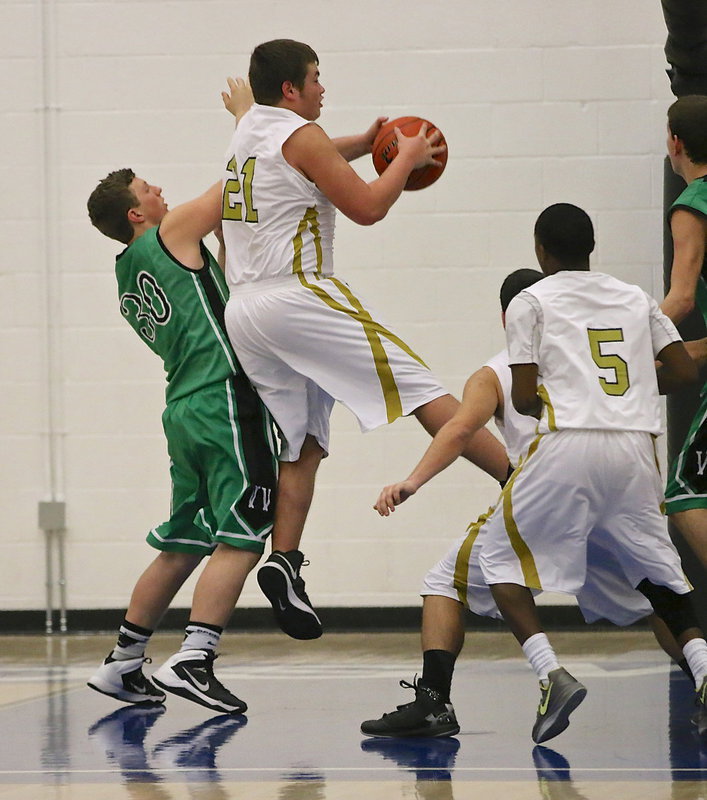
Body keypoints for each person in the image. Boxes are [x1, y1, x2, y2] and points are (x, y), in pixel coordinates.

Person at [219, 40, 509, 641]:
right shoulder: (296, 136)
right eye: (316, 79)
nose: (324, 89)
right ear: (292, 90)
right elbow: (369, 207)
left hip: (244, 308)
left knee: (302, 441)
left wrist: (367, 140)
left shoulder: (248, 130)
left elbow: (312, 156)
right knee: (418, 386)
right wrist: (406, 157)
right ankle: (519, 476)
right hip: (296, 293)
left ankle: (285, 561)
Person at [360, 268, 692, 740]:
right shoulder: (602, 349)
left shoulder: (494, 372)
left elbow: (458, 429)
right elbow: (678, 363)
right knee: (656, 590)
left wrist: (413, 480)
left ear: (507, 317)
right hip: (616, 493)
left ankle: (438, 702)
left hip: (546, 497)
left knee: (445, 582)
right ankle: (698, 673)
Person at [476, 203, 707, 743]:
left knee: (496, 557)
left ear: (540, 250)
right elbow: (679, 368)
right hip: (634, 449)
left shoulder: (530, 301)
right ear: (592, 247)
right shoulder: (635, 297)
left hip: (569, 444)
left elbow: (526, 396)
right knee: (659, 575)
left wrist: (561, 400)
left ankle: (550, 673)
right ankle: (703, 669)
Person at [85, 82, 278, 714]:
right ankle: (196, 655)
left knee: (185, 539)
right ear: (137, 214)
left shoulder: (126, 272)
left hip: (181, 409)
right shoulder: (167, 232)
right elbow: (238, 186)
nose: (160, 189)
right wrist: (252, 116)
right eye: (148, 189)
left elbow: (206, 284)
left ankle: (123, 661)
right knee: (248, 527)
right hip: (223, 398)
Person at [663, 94, 707, 573]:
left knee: (684, 496)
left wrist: (621, 339)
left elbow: (681, 300)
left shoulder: (692, 203)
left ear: (675, 142)